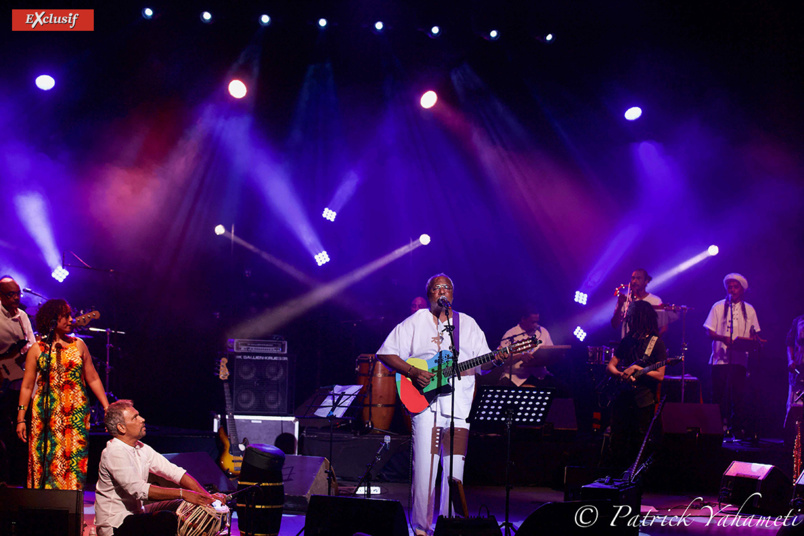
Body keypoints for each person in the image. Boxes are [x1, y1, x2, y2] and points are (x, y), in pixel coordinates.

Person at [376, 274, 496, 536]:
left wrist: (498, 359)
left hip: (459, 406)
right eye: (436, 287)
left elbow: (483, 363)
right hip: (425, 404)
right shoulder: (417, 321)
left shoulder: (468, 324)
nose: (442, 290)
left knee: (455, 472)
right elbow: (385, 352)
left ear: (453, 293)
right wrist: (411, 371)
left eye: (447, 287)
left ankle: (449, 526)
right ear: (429, 293)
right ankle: (421, 528)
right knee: (424, 469)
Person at [16, 298, 109, 489]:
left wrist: (107, 407)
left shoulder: (79, 345)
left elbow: (93, 378)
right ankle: (42, 510)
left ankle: (71, 510)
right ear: (52, 319)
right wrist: (20, 418)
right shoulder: (37, 349)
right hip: (45, 415)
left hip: (75, 413)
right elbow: (26, 386)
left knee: (74, 462)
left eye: (69, 315)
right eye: (65, 316)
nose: (70, 319)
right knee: (46, 461)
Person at [94, 400, 225, 536]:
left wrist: (207, 497)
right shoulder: (114, 452)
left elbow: (175, 473)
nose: (142, 419)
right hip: (116, 524)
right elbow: (138, 490)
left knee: (187, 506)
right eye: (135, 417)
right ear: (121, 427)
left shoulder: (142, 448)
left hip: (137, 513)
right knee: (165, 519)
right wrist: (184, 493)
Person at [606, 301, 667, 471]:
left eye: (632, 318)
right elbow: (611, 365)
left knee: (639, 442)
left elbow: (660, 375)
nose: (629, 322)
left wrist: (638, 369)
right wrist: (620, 374)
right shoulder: (628, 340)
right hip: (623, 397)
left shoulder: (657, 343)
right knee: (618, 439)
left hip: (643, 401)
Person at [703, 273, 760, 438]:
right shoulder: (718, 306)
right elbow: (709, 331)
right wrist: (723, 338)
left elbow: (754, 332)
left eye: (735, 287)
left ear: (742, 289)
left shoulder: (749, 309)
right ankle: (715, 428)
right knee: (717, 395)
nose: (732, 290)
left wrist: (755, 340)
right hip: (719, 359)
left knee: (738, 396)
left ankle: (736, 429)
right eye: (730, 286)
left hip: (740, 360)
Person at [0, 276, 37, 485]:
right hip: (2, 379)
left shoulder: (23, 316)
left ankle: (19, 480)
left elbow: (31, 346)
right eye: (10, 294)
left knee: (19, 433)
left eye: (17, 293)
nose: (15, 298)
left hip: (18, 383)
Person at [495, 308, 563, 391]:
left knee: (563, 389)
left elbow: (550, 351)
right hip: (516, 377)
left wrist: (556, 355)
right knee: (500, 392)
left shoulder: (543, 331)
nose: (535, 325)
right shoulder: (511, 335)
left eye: (537, 322)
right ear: (523, 319)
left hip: (539, 375)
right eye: (533, 322)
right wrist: (520, 357)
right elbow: (502, 361)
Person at [611, 268, 663, 338]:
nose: (634, 281)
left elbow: (663, 327)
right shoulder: (624, 299)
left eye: (638, 278)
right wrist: (620, 305)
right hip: (627, 346)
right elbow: (615, 325)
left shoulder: (655, 301)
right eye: (633, 278)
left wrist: (651, 343)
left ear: (646, 281)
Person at [784, 315, 804, 439]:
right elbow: (789, 343)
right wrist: (790, 360)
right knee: (795, 405)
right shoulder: (798, 321)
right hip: (799, 370)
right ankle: (791, 440)